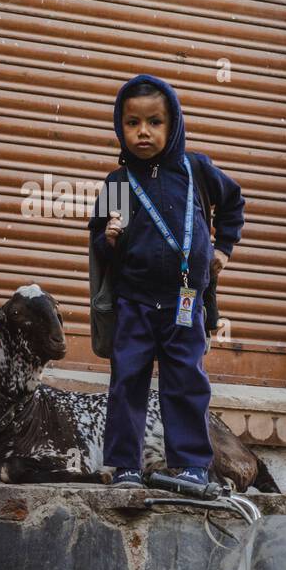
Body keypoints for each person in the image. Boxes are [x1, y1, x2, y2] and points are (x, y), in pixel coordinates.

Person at [87, 75, 245, 488]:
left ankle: (192, 465)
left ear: (173, 124)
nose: (143, 132)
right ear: (120, 127)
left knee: (186, 383)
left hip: (185, 300)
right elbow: (101, 251)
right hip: (134, 303)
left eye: (155, 122)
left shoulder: (196, 170)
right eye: (132, 123)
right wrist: (109, 238)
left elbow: (233, 204)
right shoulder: (119, 184)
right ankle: (125, 467)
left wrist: (223, 249)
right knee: (127, 384)